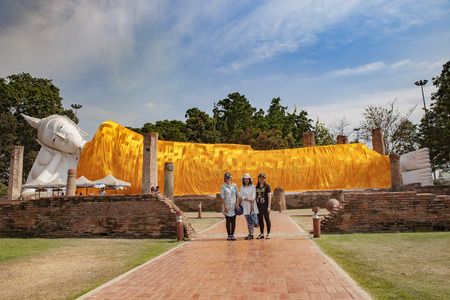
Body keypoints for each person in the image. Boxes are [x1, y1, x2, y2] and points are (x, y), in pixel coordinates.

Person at [220, 173, 240, 241]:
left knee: (233, 221)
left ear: (231, 178)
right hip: (227, 206)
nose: (228, 179)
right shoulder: (223, 187)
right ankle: (229, 235)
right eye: (227, 178)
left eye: (229, 178)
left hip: (233, 206)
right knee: (228, 221)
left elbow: (237, 195)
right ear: (225, 179)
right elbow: (222, 197)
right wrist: (225, 206)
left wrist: (237, 204)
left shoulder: (234, 186)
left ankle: (232, 235)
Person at [240, 173, 258, 240]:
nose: (246, 180)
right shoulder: (242, 187)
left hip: (252, 204)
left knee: (252, 220)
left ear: (249, 179)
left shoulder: (253, 186)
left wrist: (252, 205)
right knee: (248, 220)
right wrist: (248, 199)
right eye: (245, 179)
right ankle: (250, 233)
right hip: (245, 205)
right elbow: (241, 195)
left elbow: (254, 195)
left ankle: (251, 234)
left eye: (247, 179)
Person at [255, 173, 272, 239]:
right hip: (258, 206)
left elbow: (269, 196)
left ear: (265, 179)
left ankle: (268, 233)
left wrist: (269, 206)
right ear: (258, 179)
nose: (261, 179)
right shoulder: (256, 187)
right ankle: (262, 233)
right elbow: (255, 196)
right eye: (260, 178)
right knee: (260, 220)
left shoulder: (267, 187)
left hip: (265, 206)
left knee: (267, 219)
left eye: (263, 178)